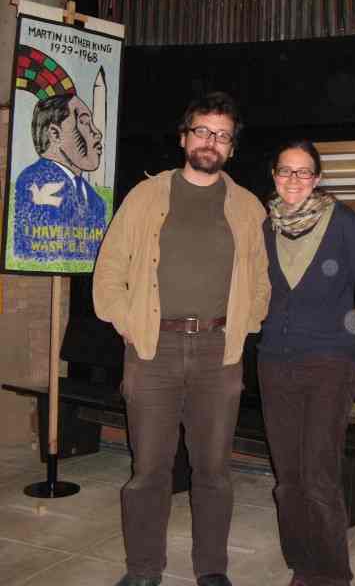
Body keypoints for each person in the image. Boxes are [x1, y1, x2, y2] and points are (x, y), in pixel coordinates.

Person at [92, 92, 270, 586]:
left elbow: (261, 279)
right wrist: (127, 322)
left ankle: (211, 569)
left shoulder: (247, 207)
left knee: (213, 470)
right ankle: (144, 568)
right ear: (184, 137)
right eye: (202, 131)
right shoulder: (145, 197)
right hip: (153, 349)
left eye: (222, 135)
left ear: (232, 147)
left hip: (220, 351)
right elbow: (109, 270)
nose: (210, 142)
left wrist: (248, 321)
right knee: (149, 469)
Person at [258, 140, 355, 586]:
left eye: (304, 172)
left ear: (318, 178)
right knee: (287, 477)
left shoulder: (343, 224)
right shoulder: (265, 226)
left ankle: (331, 575)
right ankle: (301, 562)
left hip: (329, 363)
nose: (293, 180)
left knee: (318, 474)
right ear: (273, 174)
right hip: (275, 362)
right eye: (285, 171)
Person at [14, 93, 106, 261]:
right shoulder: (32, 183)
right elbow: (30, 255)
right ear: (55, 134)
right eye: (84, 123)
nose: (97, 133)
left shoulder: (97, 201)